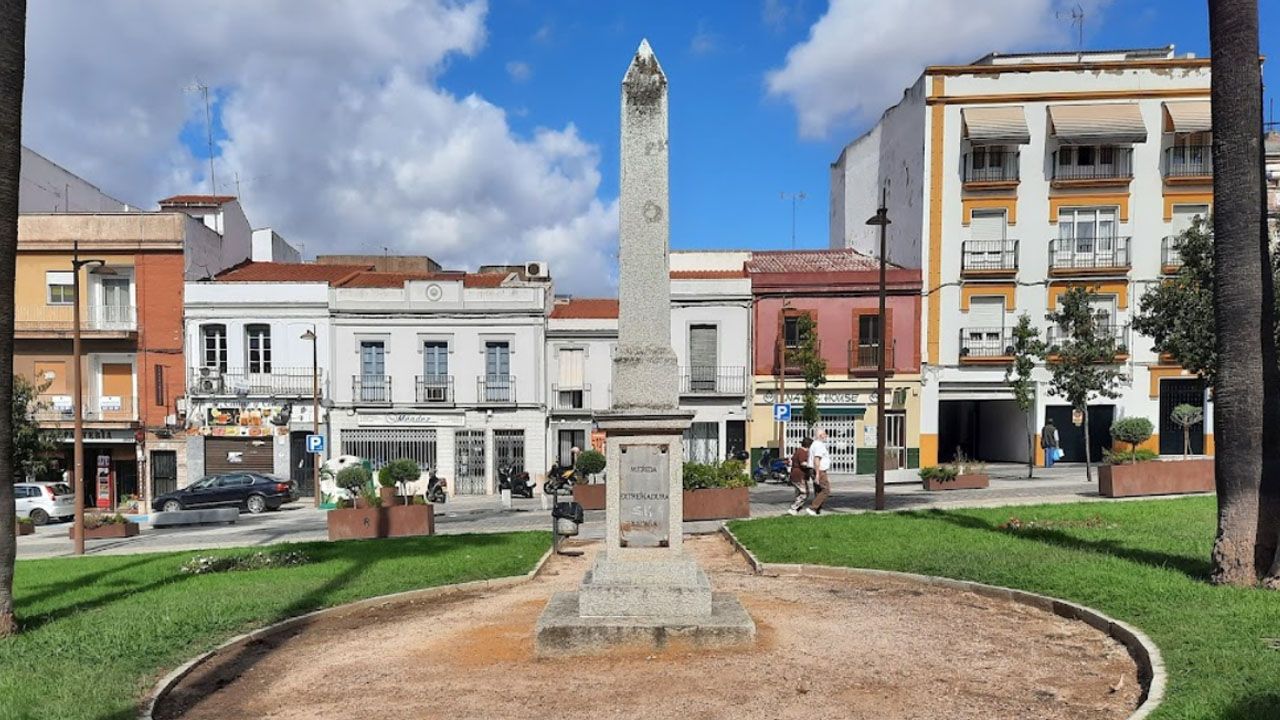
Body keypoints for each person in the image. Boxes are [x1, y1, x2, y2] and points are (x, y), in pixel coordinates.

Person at [787, 437, 813, 516]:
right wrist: (811, 465)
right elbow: (803, 463)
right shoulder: (802, 452)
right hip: (799, 475)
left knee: (798, 493)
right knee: (804, 493)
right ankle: (793, 508)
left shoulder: (798, 451)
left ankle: (796, 510)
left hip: (796, 474)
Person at [809, 429, 832, 515]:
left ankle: (817, 510)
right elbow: (816, 459)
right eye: (824, 434)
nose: (826, 436)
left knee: (818, 490)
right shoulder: (819, 445)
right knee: (826, 490)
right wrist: (818, 474)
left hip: (816, 469)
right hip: (820, 470)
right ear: (820, 436)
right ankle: (813, 507)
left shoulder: (815, 444)